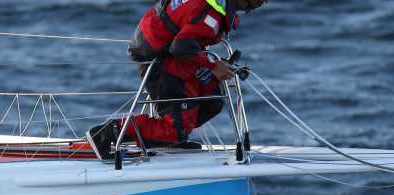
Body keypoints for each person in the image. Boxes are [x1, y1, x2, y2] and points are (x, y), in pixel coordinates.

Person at [86, 0, 268, 159]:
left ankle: (167, 138)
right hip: (161, 60)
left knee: (212, 100)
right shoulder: (211, 14)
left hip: (175, 56)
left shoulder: (215, 7)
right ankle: (106, 134)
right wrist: (214, 65)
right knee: (175, 129)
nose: (262, 3)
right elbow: (181, 46)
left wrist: (214, 65)